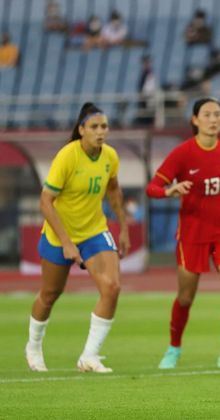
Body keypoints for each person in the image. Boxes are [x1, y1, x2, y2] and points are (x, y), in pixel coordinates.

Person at [25, 103, 130, 373]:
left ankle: (89, 356)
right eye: (94, 127)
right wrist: (67, 242)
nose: (100, 131)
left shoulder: (110, 156)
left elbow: (114, 191)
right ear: (81, 129)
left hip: (94, 230)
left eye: (104, 126)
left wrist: (124, 227)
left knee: (112, 288)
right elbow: (45, 202)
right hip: (59, 234)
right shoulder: (67, 157)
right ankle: (33, 346)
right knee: (50, 294)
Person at [145, 98, 220, 369]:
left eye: (217, 114)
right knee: (186, 296)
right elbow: (153, 187)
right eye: (207, 114)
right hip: (192, 233)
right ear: (195, 120)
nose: (213, 119)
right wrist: (169, 191)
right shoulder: (182, 153)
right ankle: (174, 348)